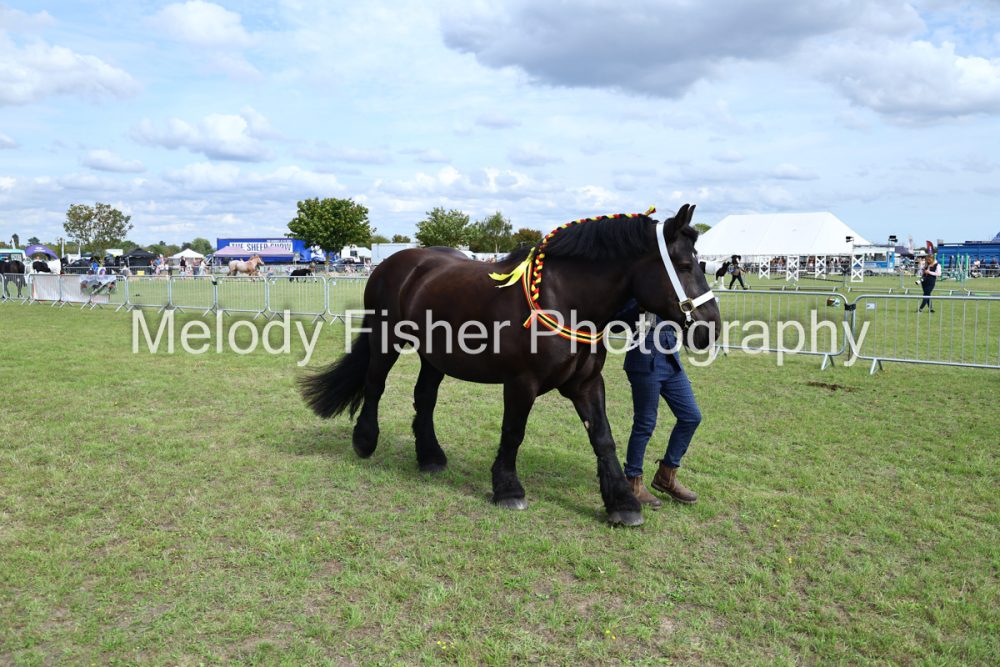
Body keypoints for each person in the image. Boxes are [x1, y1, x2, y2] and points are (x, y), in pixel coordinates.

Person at [615, 300, 702, 508]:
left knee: (691, 417)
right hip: (644, 359)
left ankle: (666, 476)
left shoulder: (669, 289)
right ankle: (632, 481)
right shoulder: (637, 290)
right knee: (645, 423)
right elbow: (617, 324)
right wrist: (640, 307)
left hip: (671, 358)